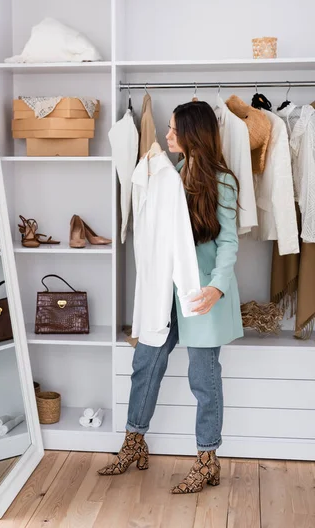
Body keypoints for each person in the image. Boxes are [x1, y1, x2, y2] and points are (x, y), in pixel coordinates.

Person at [98, 101, 244, 493]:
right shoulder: (169, 174)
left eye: (174, 130)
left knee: (203, 375)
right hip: (168, 289)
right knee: (146, 359)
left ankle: (207, 460)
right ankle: (134, 441)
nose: (166, 136)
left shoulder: (223, 181)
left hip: (201, 294)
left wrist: (216, 287)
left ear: (193, 134)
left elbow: (229, 242)